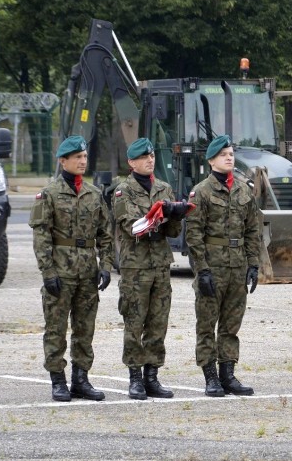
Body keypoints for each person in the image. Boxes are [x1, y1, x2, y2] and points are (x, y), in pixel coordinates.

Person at [29, 135, 115, 402]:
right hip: (61, 270)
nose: (82, 161)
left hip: (87, 271)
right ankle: (58, 380)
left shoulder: (93, 193)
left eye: (85, 157)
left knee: (84, 329)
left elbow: (106, 233)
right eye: (77, 157)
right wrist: (48, 272)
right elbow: (41, 236)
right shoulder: (49, 194)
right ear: (63, 161)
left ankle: (81, 379)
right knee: (56, 328)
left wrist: (106, 266)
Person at [112, 138, 192, 400]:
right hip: (135, 267)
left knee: (158, 323)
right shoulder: (123, 191)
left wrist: (176, 214)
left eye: (152, 156)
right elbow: (133, 227)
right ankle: (135, 377)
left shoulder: (164, 188)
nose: (150, 160)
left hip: (159, 265)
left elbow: (171, 231)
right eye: (143, 157)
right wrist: (160, 212)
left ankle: (152, 375)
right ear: (131, 163)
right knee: (135, 321)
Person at [185, 134, 261, 396]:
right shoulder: (201, 191)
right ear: (211, 161)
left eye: (230, 154)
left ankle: (228, 374)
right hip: (213, 266)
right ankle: (210, 376)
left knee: (231, 324)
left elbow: (252, 230)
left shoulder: (243, 190)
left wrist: (253, 264)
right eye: (223, 155)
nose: (229, 158)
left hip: (237, 265)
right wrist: (202, 270)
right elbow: (193, 235)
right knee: (207, 322)